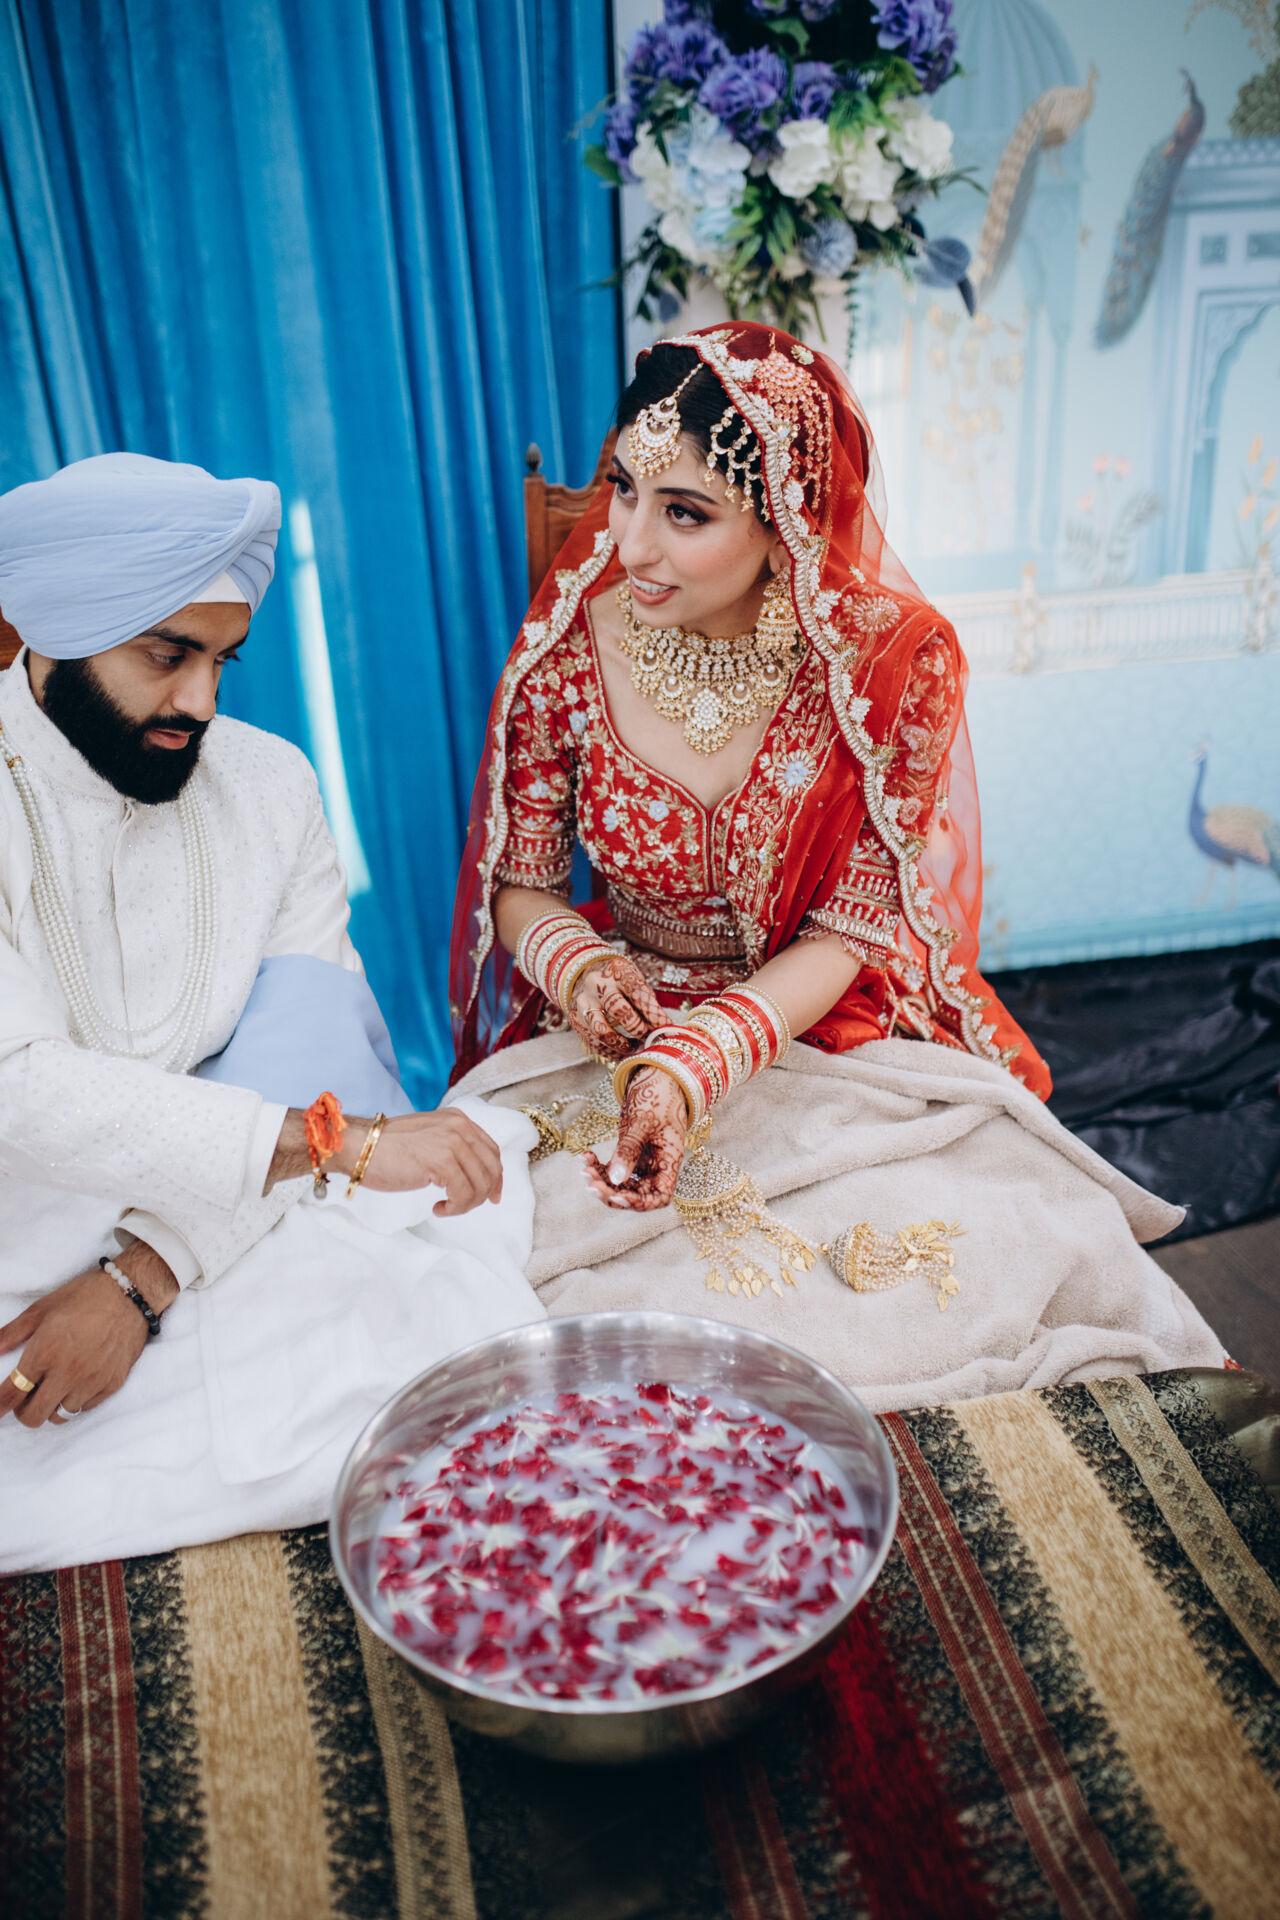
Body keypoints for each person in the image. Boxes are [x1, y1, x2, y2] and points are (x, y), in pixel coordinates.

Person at [447, 325, 1223, 1403]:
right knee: (539, 1308)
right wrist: (575, 968)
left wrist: (697, 1060)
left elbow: (852, 927)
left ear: (786, 521)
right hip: (610, 1027)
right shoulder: (569, 649)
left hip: (819, 1023)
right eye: (622, 488)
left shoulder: (887, 668)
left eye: (684, 513)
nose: (629, 545)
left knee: (968, 1275)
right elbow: (522, 881)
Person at [0, 453, 542, 1574]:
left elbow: (308, 1049)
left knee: (469, 1390)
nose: (200, 702)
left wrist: (143, 1278)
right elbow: (20, 1084)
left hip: (225, 1226)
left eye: (221, 660)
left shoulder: (268, 784)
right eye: (168, 655)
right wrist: (344, 1146)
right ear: (57, 629)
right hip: (22, 1242)